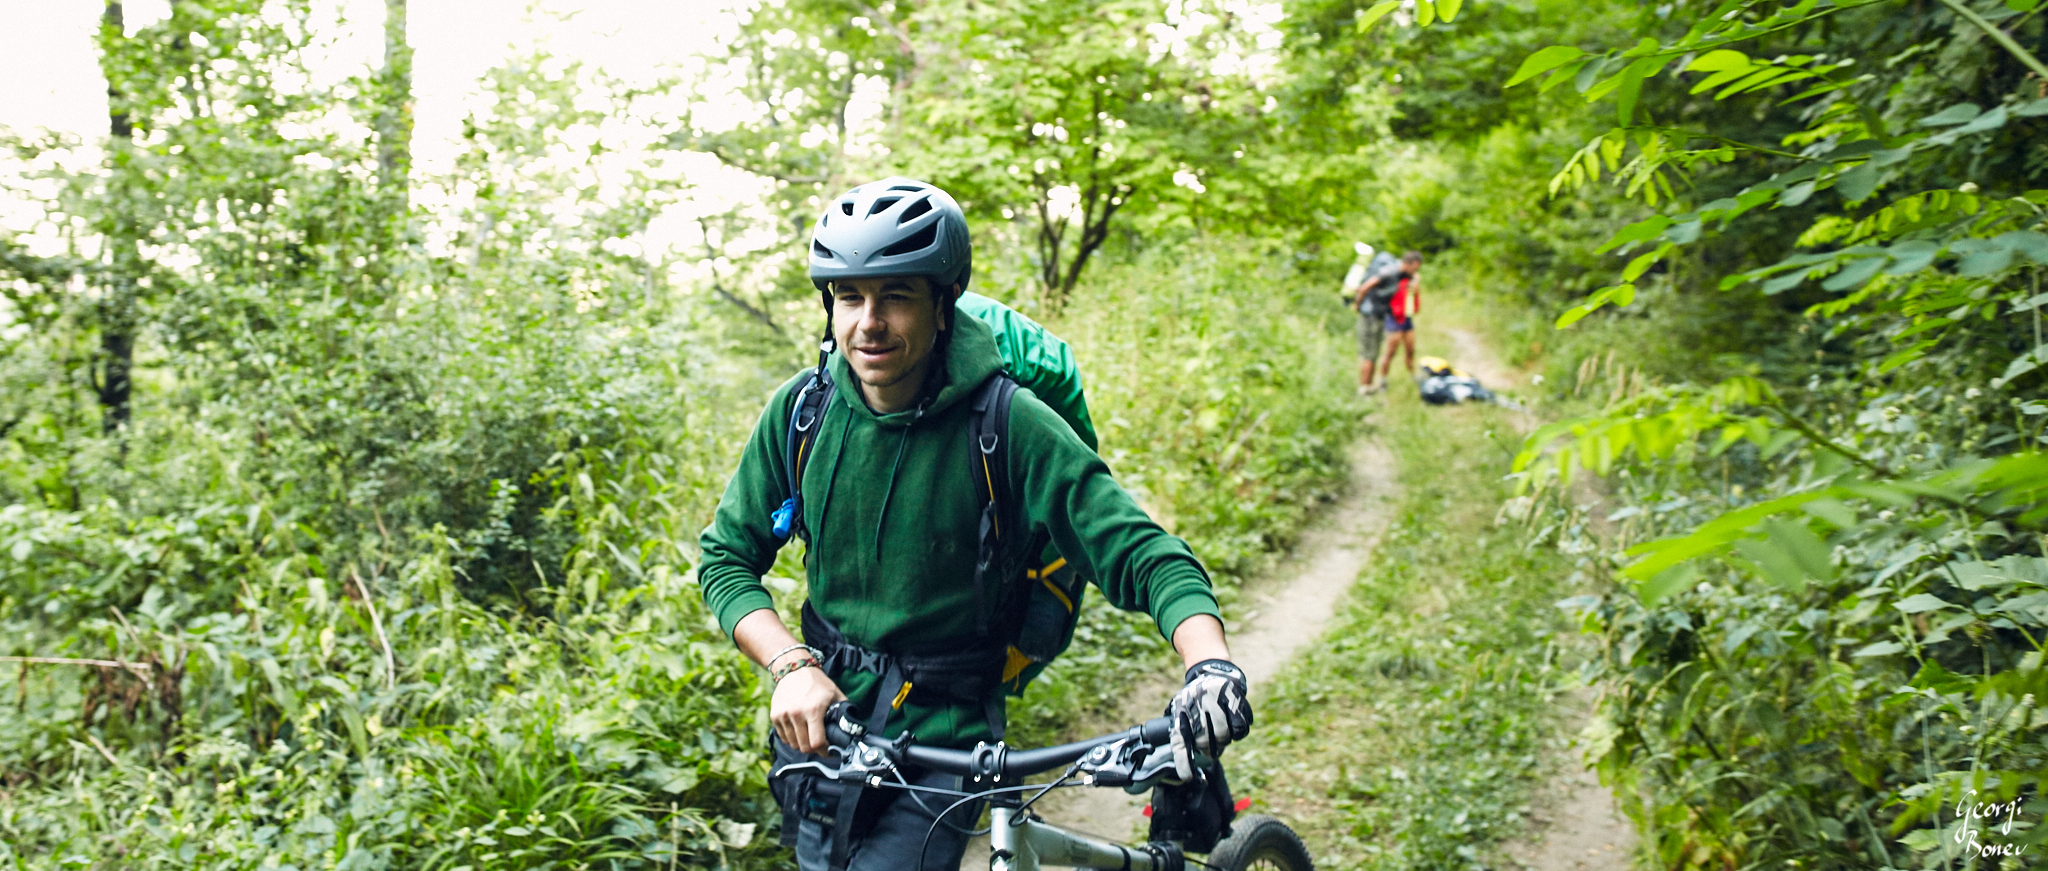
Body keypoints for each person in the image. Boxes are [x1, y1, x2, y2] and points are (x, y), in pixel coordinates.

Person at [696, 177, 1253, 871]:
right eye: (849, 296)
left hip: (947, 731)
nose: (868, 322)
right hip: (821, 722)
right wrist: (791, 665)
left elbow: (1142, 552)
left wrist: (1209, 661)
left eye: (896, 295)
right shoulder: (802, 411)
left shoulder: (1006, 422)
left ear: (942, 302)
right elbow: (725, 558)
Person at [1348, 243, 1403, 394]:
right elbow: (1366, 286)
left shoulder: (1390, 271)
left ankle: (1367, 386)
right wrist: (1359, 304)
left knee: (1370, 354)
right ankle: (1364, 388)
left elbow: (1364, 287)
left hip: (1373, 316)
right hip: (1373, 316)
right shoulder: (1391, 271)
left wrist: (1358, 305)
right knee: (1369, 355)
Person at [1375, 251, 1424, 388]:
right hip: (1394, 318)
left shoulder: (1412, 281)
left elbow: (1416, 306)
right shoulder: (1395, 278)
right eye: (1414, 268)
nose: (1415, 271)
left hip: (1407, 318)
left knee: (1410, 350)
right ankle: (1382, 380)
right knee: (1390, 352)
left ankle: (1413, 376)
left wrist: (1416, 289)